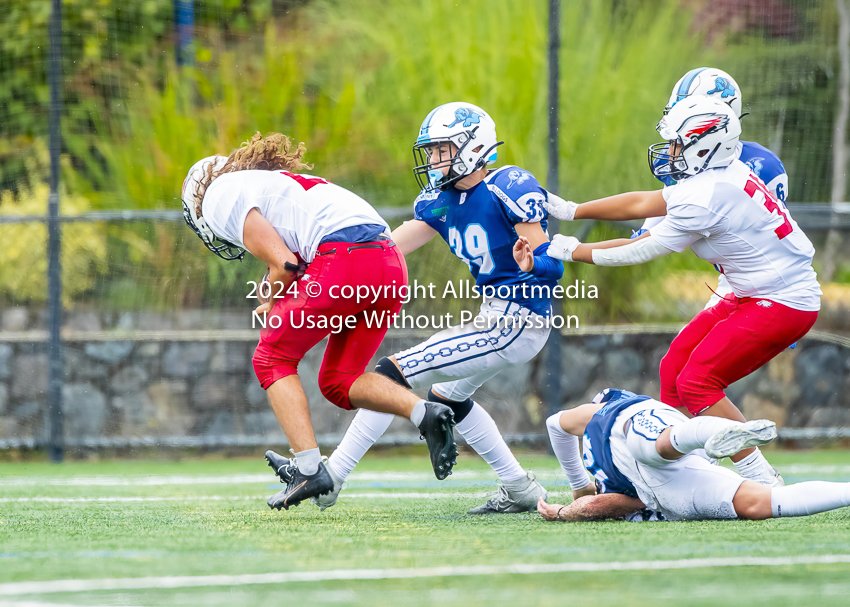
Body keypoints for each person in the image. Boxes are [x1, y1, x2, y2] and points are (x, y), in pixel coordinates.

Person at [270, 101, 564, 514]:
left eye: (441, 149)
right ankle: (520, 488)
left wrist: (534, 262)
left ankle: (333, 476)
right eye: (430, 150)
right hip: (495, 318)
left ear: (473, 146)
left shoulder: (508, 186)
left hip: (518, 320)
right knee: (450, 398)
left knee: (389, 376)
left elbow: (553, 265)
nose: (432, 159)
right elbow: (385, 247)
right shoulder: (440, 201)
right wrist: (322, 268)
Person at [544, 97, 821, 487]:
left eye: (677, 143)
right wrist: (572, 209)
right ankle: (669, 468)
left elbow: (641, 249)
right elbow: (643, 202)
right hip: (751, 290)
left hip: (782, 299)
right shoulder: (719, 177)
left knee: (697, 381)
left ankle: (761, 478)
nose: (670, 152)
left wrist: (575, 251)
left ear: (706, 145)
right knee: (673, 369)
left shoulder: (707, 195)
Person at [180, 132, 458, 511]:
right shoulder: (268, 186)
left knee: (270, 357)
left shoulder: (217, 195)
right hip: (389, 263)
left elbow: (285, 265)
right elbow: (295, 262)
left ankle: (309, 468)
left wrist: (267, 293)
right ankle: (426, 413)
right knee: (338, 381)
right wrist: (278, 293)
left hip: (346, 257)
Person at [539, 388, 850, 522]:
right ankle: (713, 433)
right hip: (672, 474)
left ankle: (713, 433)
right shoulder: (602, 421)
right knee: (760, 503)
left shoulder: (603, 413)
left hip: (637, 430)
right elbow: (555, 426)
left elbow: (556, 424)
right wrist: (582, 490)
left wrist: (570, 503)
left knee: (655, 446)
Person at [640, 67, 789, 310]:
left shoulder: (762, 167)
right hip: (731, 279)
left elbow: (779, 244)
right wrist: (634, 238)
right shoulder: (679, 160)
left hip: (767, 284)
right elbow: (661, 211)